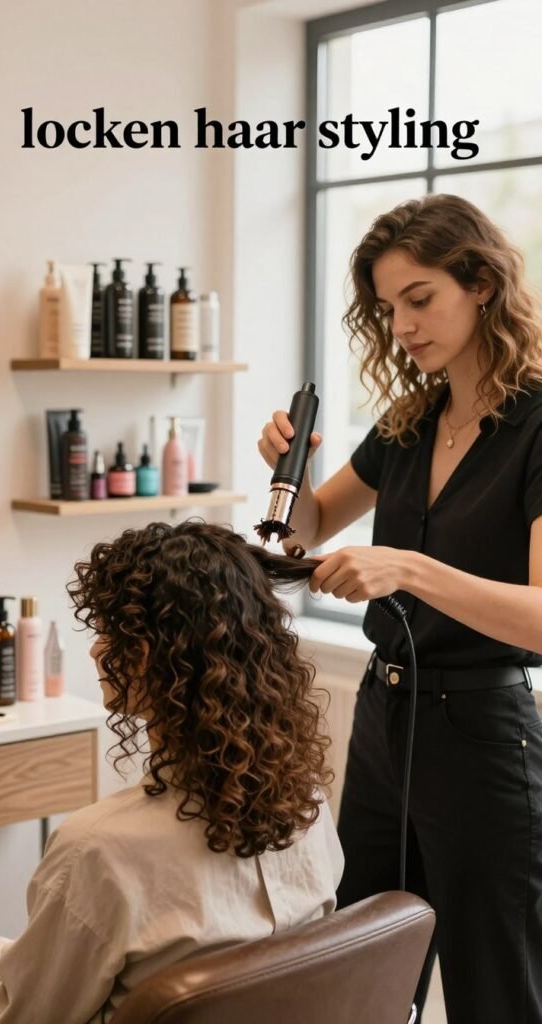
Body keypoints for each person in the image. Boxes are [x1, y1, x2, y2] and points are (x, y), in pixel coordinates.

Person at [258, 193, 542, 1024]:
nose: (402, 327)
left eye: (419, 299)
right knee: (362, 978)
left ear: (480, 284)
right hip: (386, 722)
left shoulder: (535, 426)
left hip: (483, 735)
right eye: (387, 310)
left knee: (496, 991)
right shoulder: (410, 422)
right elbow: (307, 525)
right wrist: (290, 469)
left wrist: (410, 569)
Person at [0, 521, 343, 1024]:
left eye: (106, 633)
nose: (96, 651)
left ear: (143, 657)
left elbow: (28, 1014)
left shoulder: (97, 850)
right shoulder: (306, 804)